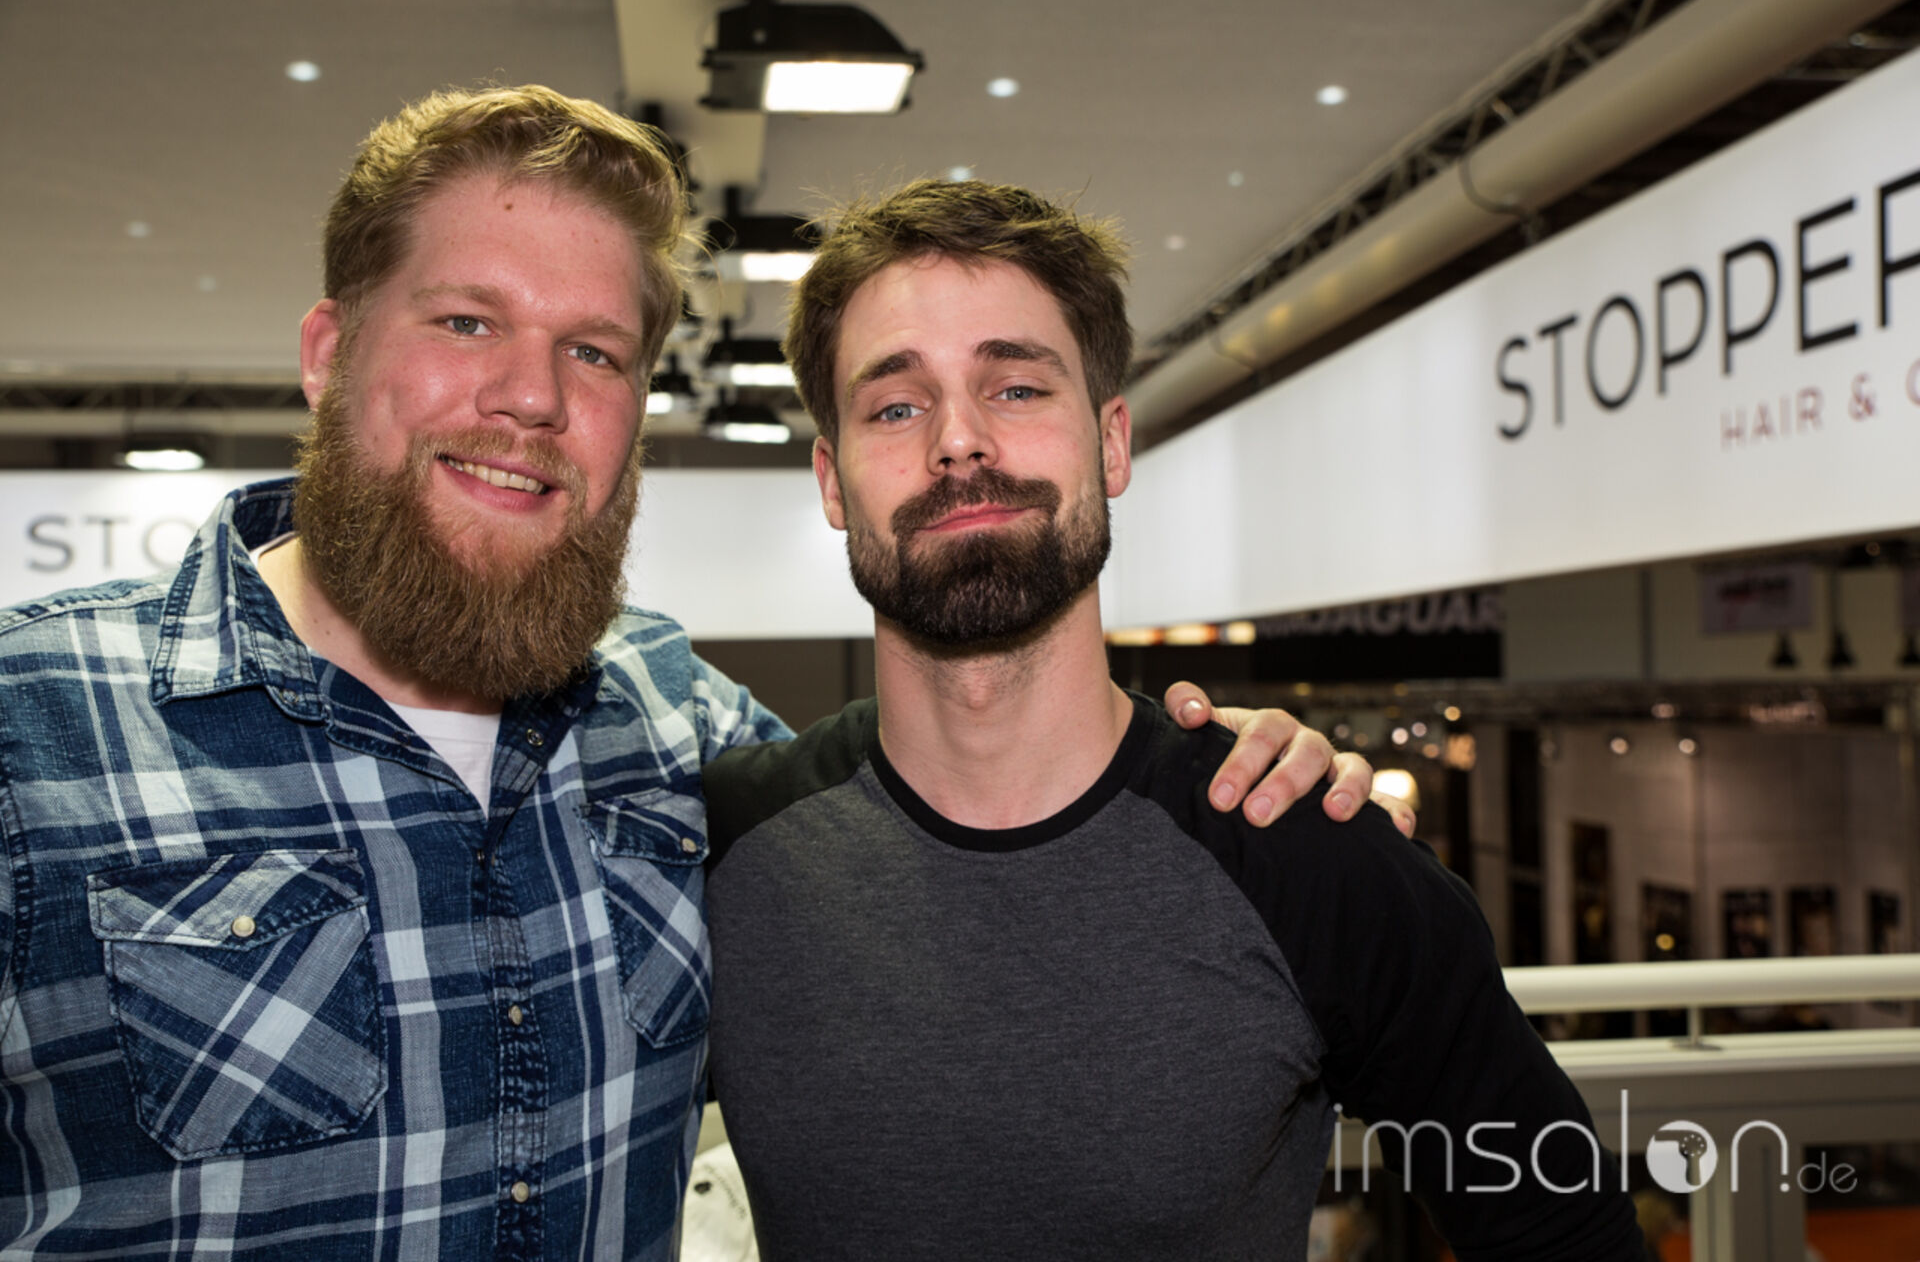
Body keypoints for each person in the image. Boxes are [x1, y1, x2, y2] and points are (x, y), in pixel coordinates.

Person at [0, 88, 1384, 1260]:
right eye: (467, 322)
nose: (532, 397)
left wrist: (1223, 772)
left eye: (594, 351)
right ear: (328, 354)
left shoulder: (682, 732)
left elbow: (978, 822)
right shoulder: (34, 731)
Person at [701, 180, 1645, 1259]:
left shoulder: (1306, 850)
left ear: (1112, 444)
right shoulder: (714, 854)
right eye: (896, 407)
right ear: (832, 480)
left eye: (1016, 387)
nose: (959, 440)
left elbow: (1565, 1233)